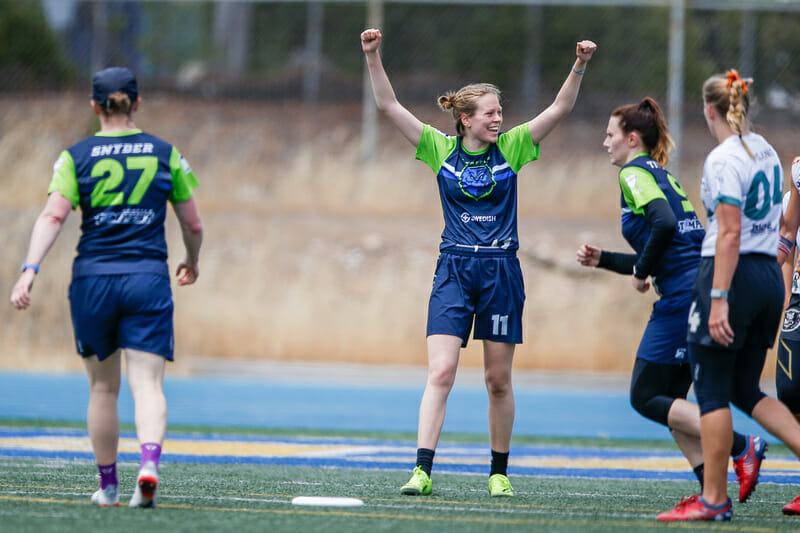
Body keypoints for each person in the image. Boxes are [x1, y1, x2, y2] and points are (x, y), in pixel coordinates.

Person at [361, 27, 596, 498]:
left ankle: (498, 472)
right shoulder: (438, 149)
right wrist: (372, 55)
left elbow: (559, 109)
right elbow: (389, 107)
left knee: (497, 380)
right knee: (441, 371)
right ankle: (422, 470)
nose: (499, 119)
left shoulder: (511, 148)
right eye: (490, 113)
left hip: (500, 273)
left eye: (500, 112)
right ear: (465, 119)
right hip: (453, 269)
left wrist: (579, 65)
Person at [9, 67, 203, 508]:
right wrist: (191, 259)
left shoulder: (74, 157)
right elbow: (191, 222)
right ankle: (149, 466)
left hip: (93, 279)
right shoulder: (165, 153)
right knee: (148, 386)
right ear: (137, 103)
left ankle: (110, 485)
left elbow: (53, 216)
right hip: (147, 280)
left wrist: (29, 270)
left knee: (102, 389)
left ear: (94, 106)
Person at [576, 97, 765, 500]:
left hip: (683, 297)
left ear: (631, 139)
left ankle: (741, 446)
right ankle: (709, 492)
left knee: (644, 397)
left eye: (610, 135)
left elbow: (661, 226)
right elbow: (670, 247)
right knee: (672, 403)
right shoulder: (659, 173)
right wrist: (605, 260)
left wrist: (641, 273)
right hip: (692, 285)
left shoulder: (632, 173)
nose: (605, 142)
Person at [658, 69, 800, 521]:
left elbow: (729, 231)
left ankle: (713, 499)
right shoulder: (767, 151)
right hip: (765, 276)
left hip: (732, 275)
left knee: (713, 389)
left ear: (708, 109)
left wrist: (718, 296)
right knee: (746, 388)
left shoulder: (723, 158)